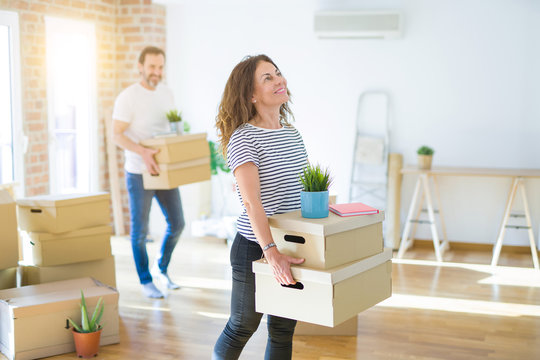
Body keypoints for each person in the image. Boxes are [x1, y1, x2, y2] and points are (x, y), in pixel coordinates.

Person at [213, 55, 308, 359]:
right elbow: (253, 204)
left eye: (278, 73)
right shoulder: (244, 137)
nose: (279, 80)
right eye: (268, 77)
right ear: (251, 95)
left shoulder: (292, 134)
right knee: (242, 326)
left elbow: (298, 192)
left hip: (290, 244)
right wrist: (272, 254)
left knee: (282, 331)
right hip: (255, 247)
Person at [112, 46, 185, 299]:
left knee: (177, 223)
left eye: (161, 67)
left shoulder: (167, 93)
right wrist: (142, 151)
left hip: (163, 171)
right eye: (152, 66)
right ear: (140, 66)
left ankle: (161, 268)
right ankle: (145, 280)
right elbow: (116, 134)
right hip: (138, 172)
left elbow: (168, 129)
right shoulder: (128, 97)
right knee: (140, 231)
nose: (157, 72)